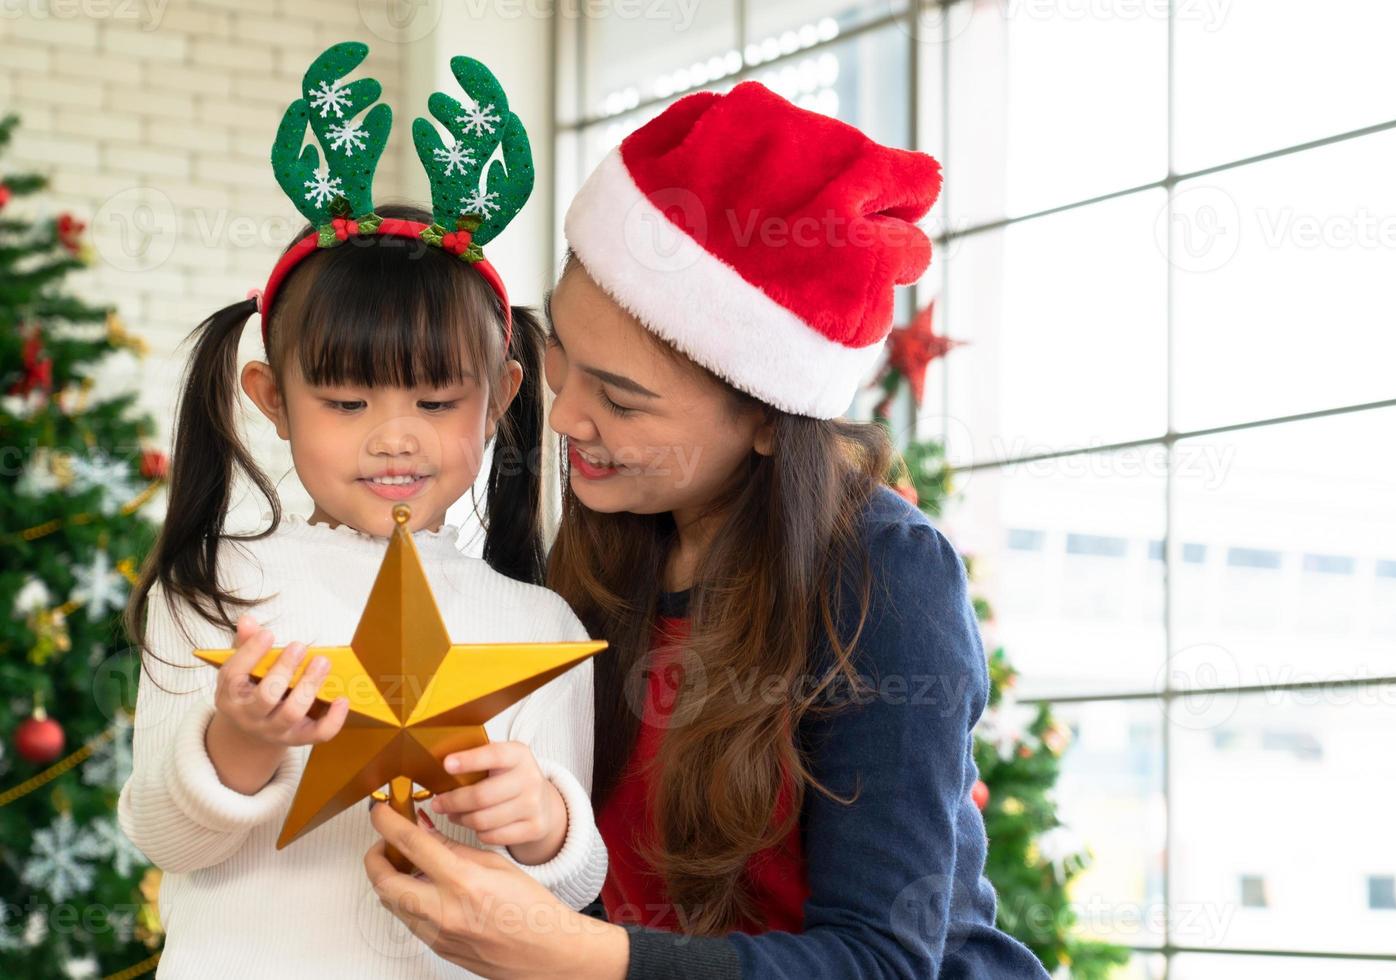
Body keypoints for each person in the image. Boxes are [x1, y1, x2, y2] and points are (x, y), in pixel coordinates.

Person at [365, 81, 1052, 979]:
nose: (565, 418)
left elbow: (883, 961)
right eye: (560, 359)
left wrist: (575, 954)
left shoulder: (884, 574)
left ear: (771, 421)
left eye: (620, 398)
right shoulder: (615, 532)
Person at [119, 41, 607, 978]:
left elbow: (568, 893)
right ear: (271, 397)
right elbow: (164, 840)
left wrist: (544, 824)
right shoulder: (216, 591)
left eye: (435, 403)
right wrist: (240, 741)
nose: (395, 439)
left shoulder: (539, 625)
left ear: (502, 396)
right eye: (346, 405)